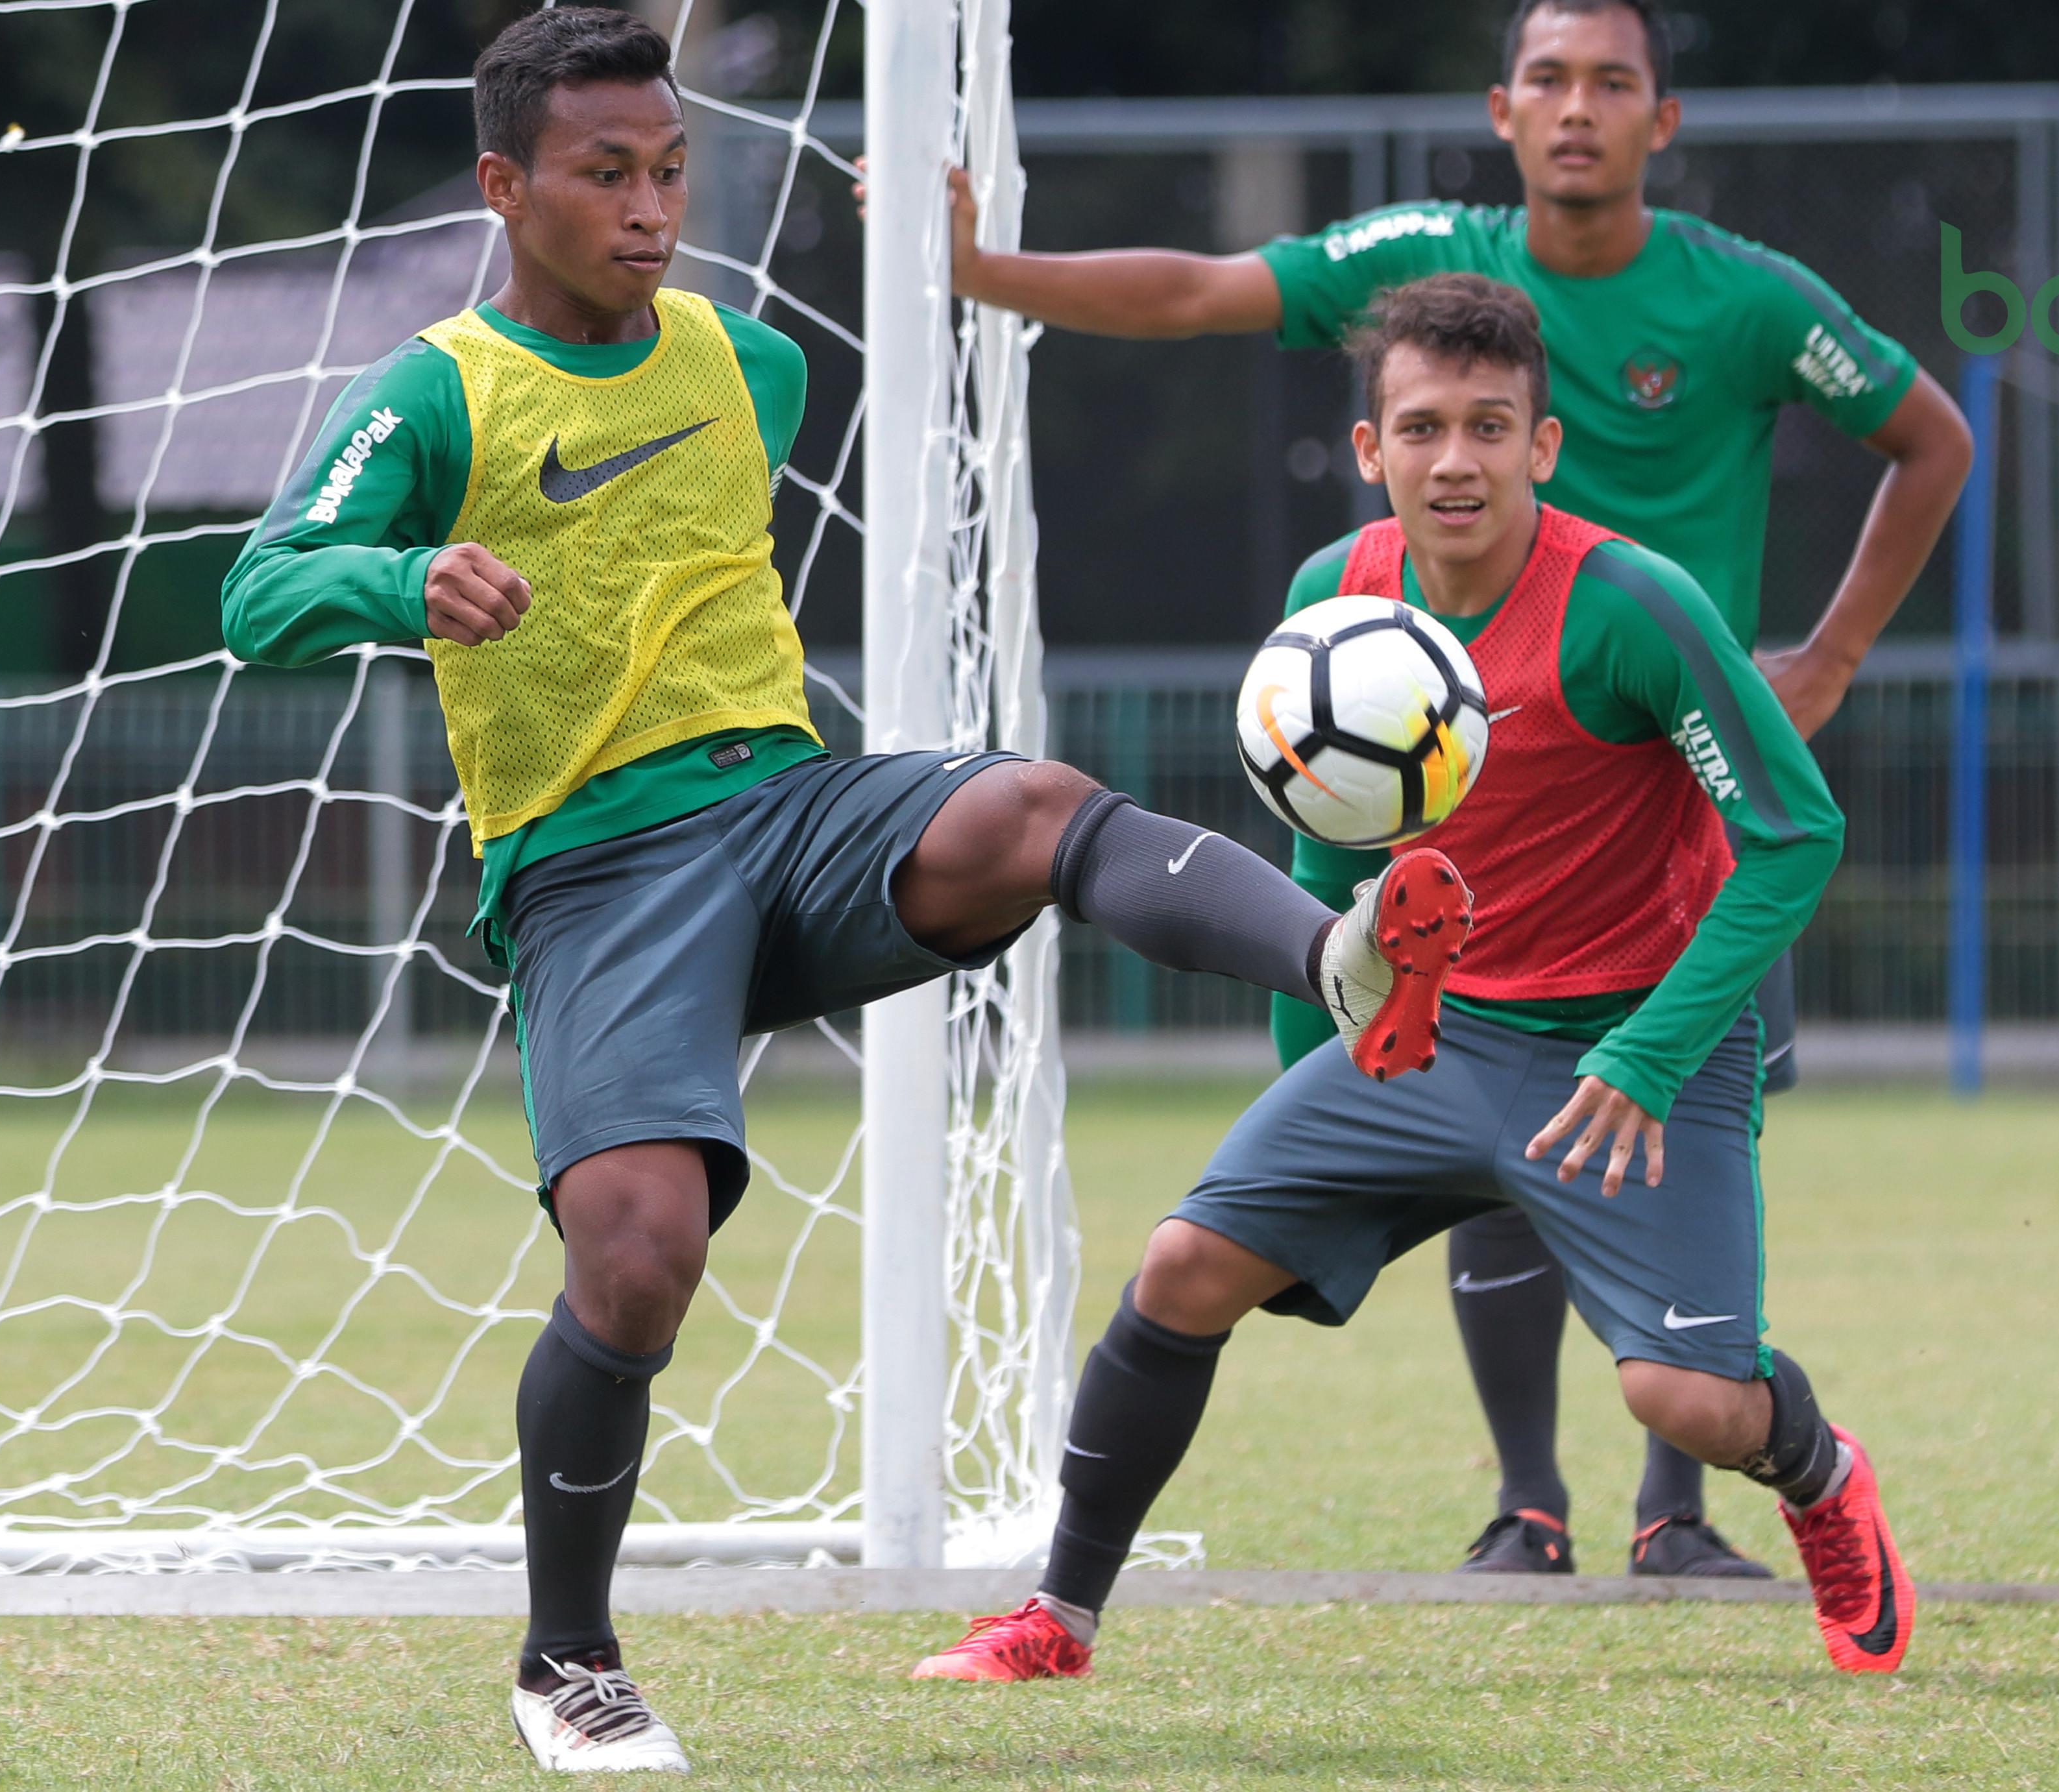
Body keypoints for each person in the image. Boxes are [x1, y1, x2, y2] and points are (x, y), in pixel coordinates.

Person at [216, 9, 1471, 1773]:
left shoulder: (747, 365)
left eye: (666, 171)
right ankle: (565, 1659)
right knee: (639, 1258)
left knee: (1029, 805)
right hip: (592, 871)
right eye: (604, 176)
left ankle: (1335, 952)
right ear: (506, 188)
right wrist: (406, 574)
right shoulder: (438, 391)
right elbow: (256, 593)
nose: (648, 206)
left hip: (788, 807)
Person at [927, 0, 1970, 1579]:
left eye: (1611, 82)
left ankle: (1686, 1502)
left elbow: (1927, 436)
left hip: (1664, 800)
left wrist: (1821, 659)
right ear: (1500, 107)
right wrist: (993, 278)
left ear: (1656, 124)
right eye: (1547, 79)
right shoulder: (1411, 318)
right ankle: (1521, 1500)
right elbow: (1208, 288)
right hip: (1470, 831)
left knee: (1657, 1200)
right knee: (1418, 1120)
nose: (1576, 109)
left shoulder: (1740, 309)